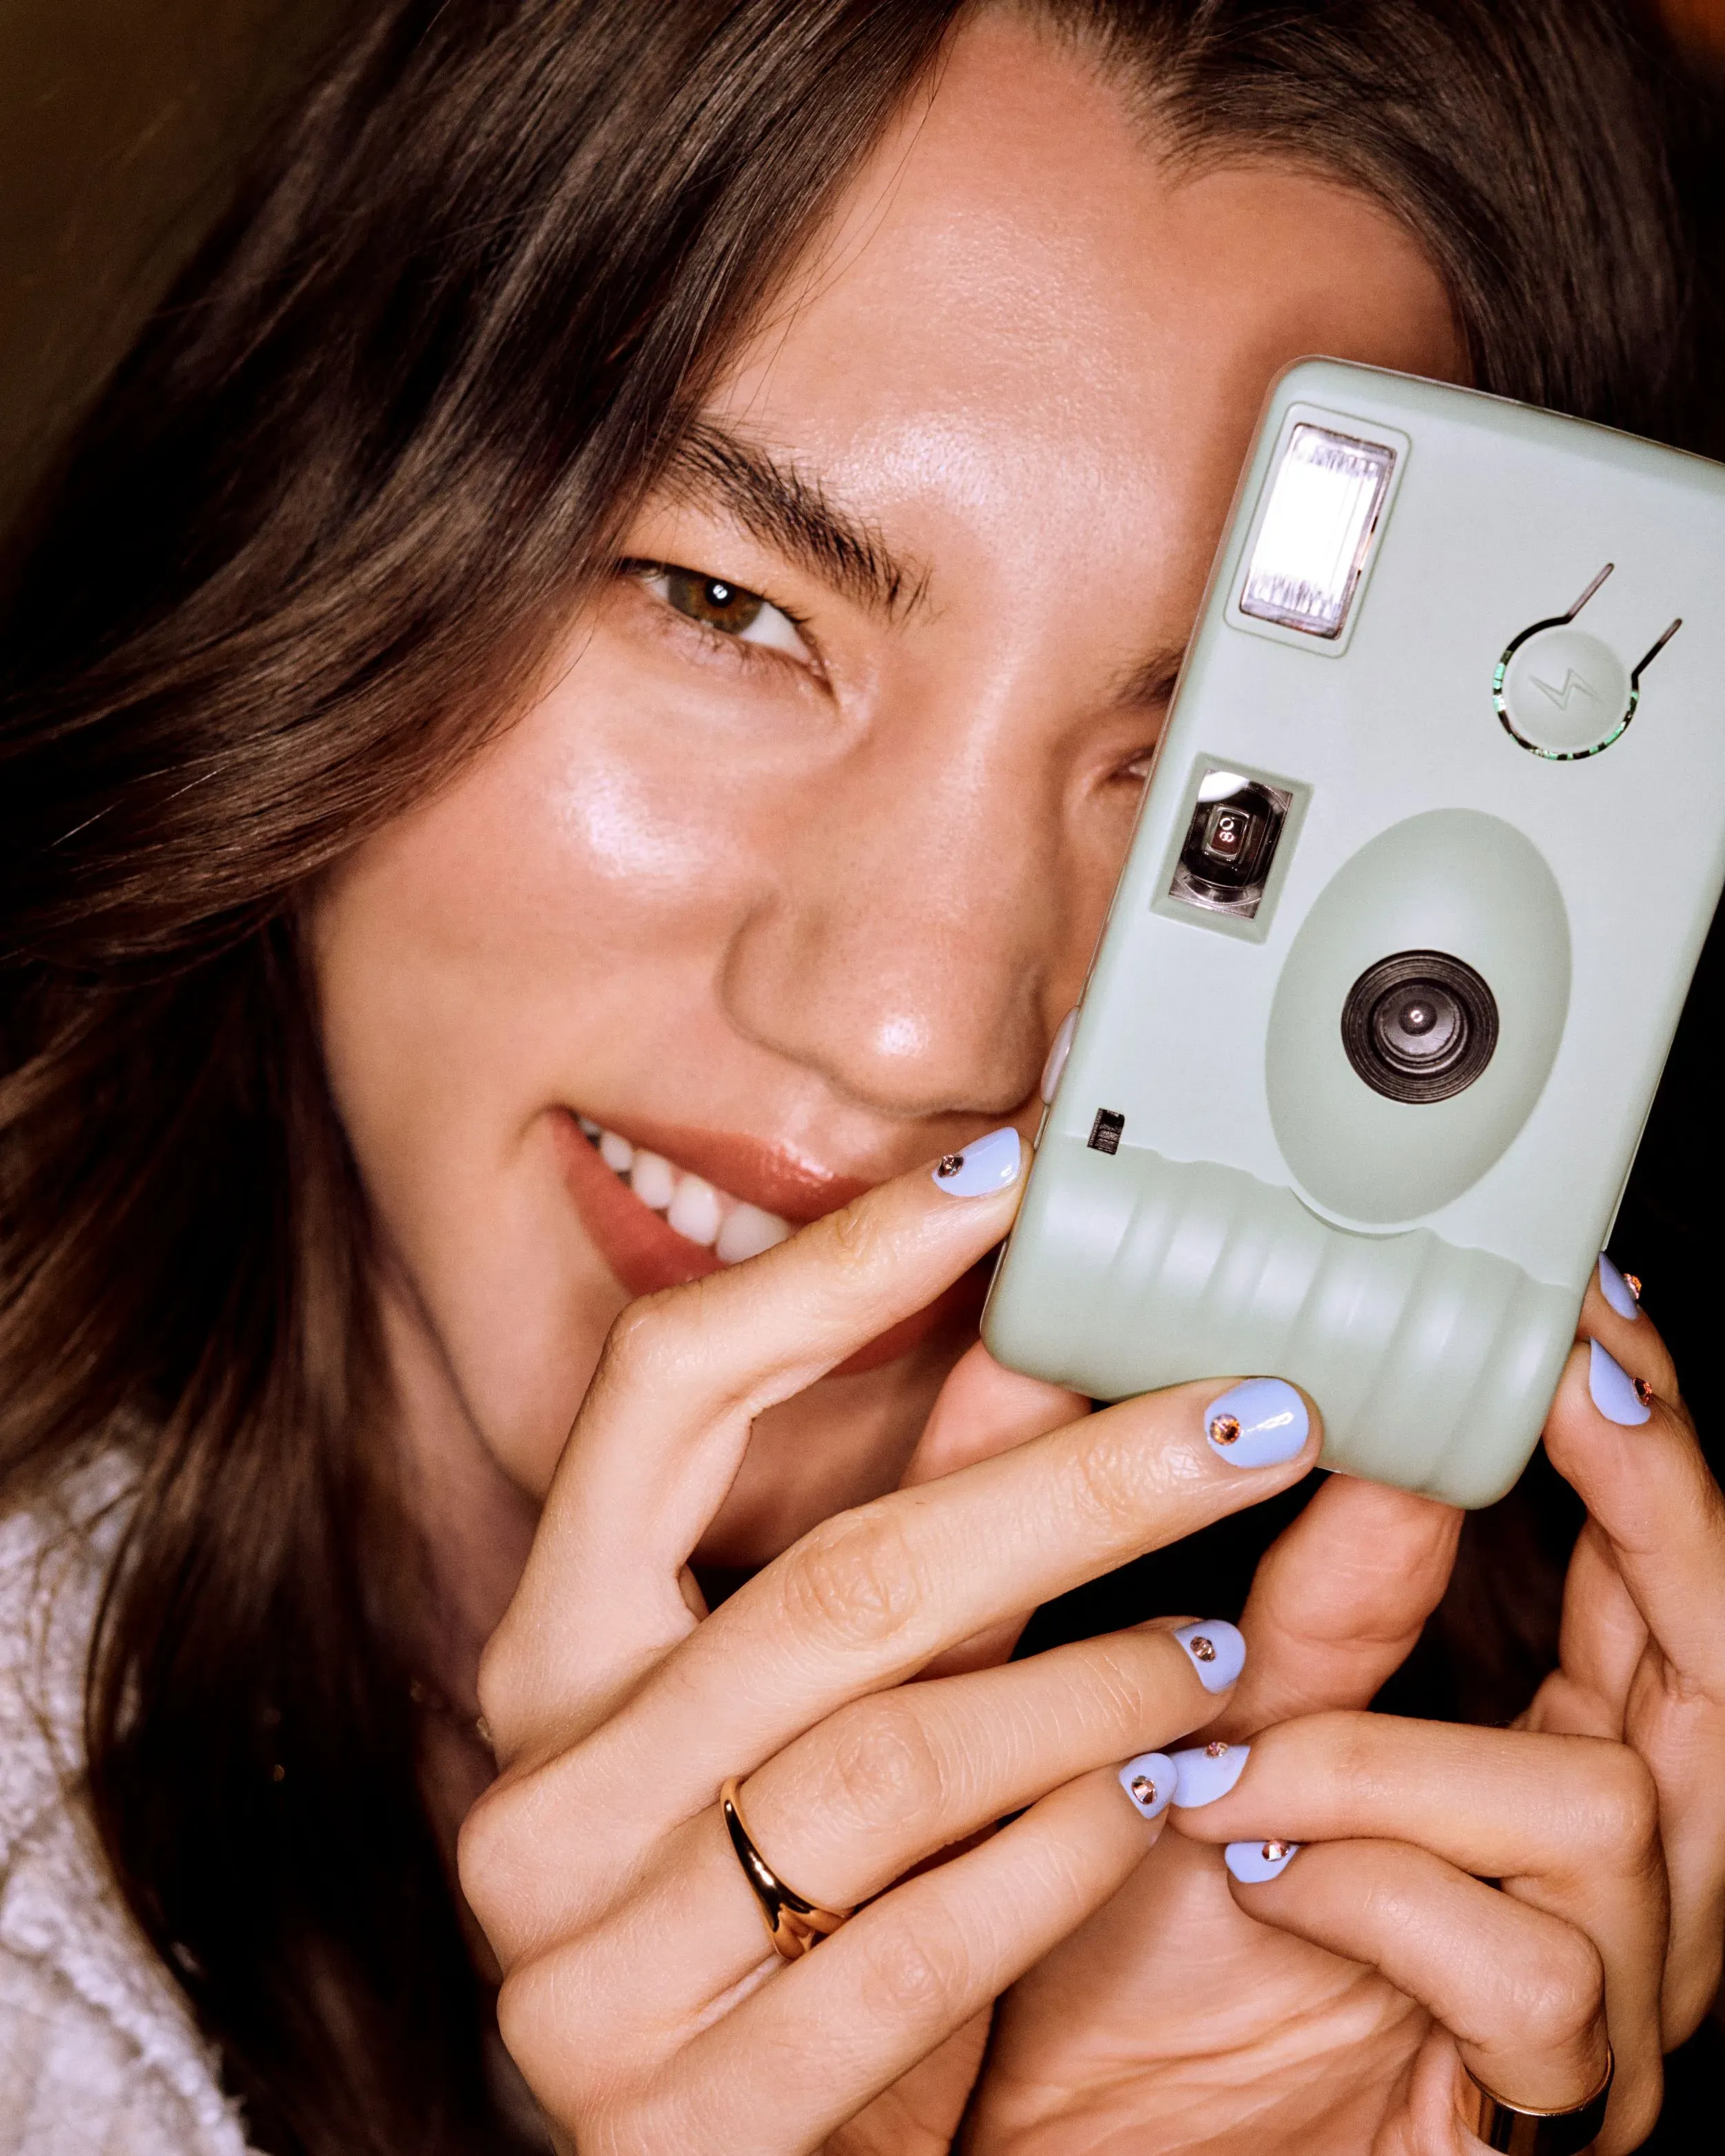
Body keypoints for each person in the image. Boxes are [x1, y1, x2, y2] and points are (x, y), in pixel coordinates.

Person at [2, 1, 1722, 2150]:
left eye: (1212, 788)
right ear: (327, 537)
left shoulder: (1409, 1898)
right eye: (720, 603)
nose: (916, 1027)